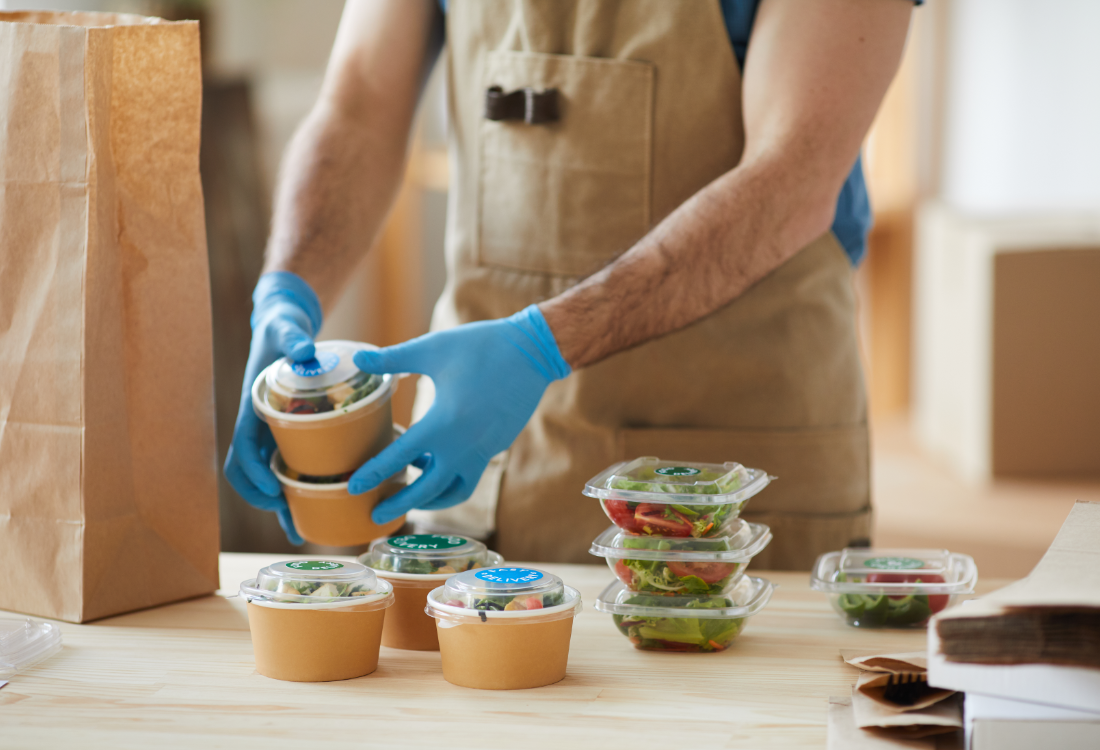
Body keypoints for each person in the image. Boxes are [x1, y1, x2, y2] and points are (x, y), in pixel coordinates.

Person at [225, 0, 917, 568]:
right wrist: (286, 290)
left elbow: (791, 179)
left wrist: (539, 347)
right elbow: (359, 102)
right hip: (487, 472)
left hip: (724, 485)